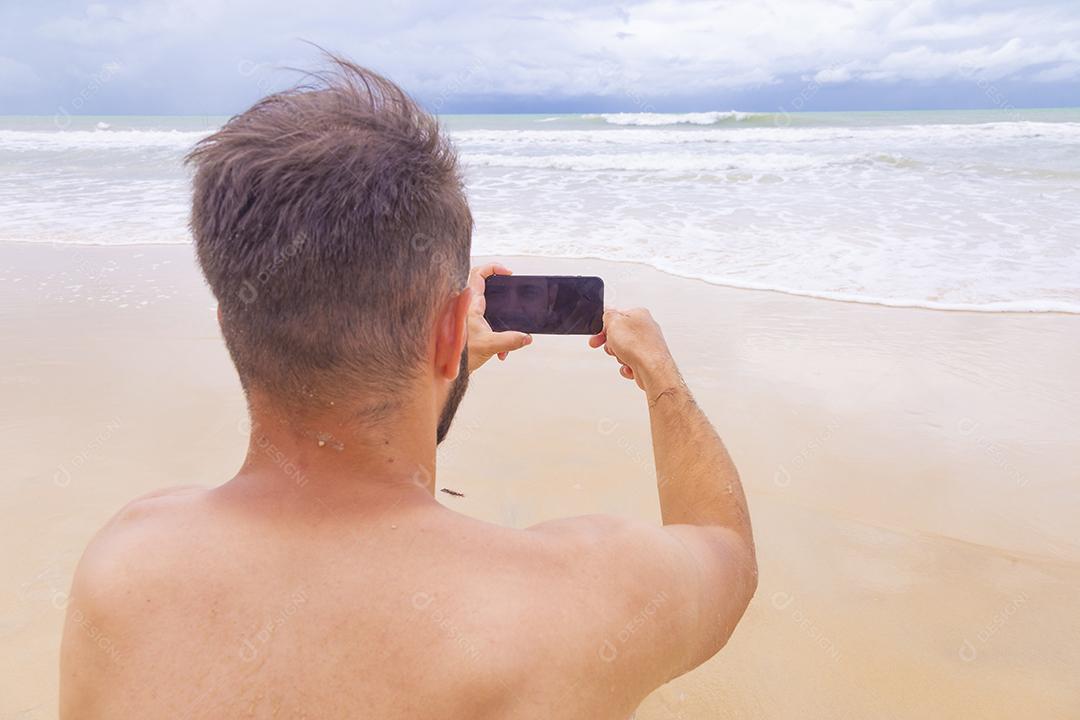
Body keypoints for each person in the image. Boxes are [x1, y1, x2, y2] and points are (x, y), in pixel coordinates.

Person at [59, 55, 757, 720]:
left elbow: (370, 504)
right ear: (454, 330)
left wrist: (442, 369)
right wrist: (660, 375)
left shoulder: (122, 569)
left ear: (229, 325)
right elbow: (724, 551)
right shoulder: (579, 597)